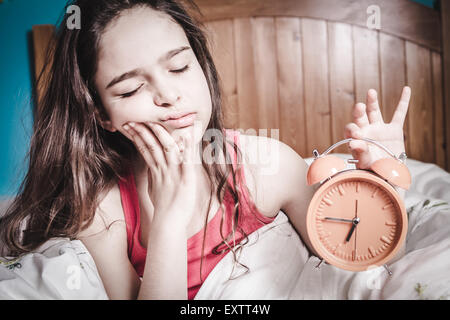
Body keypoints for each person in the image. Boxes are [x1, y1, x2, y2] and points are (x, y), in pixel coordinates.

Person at [0, 0, 411, 300]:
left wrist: (384, 179)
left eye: (179, 67)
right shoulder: (103, 209)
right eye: (130, 88)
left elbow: (358, 258)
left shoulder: (267, 166)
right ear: (103, 115)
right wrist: (168, 222)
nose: (168, 95)